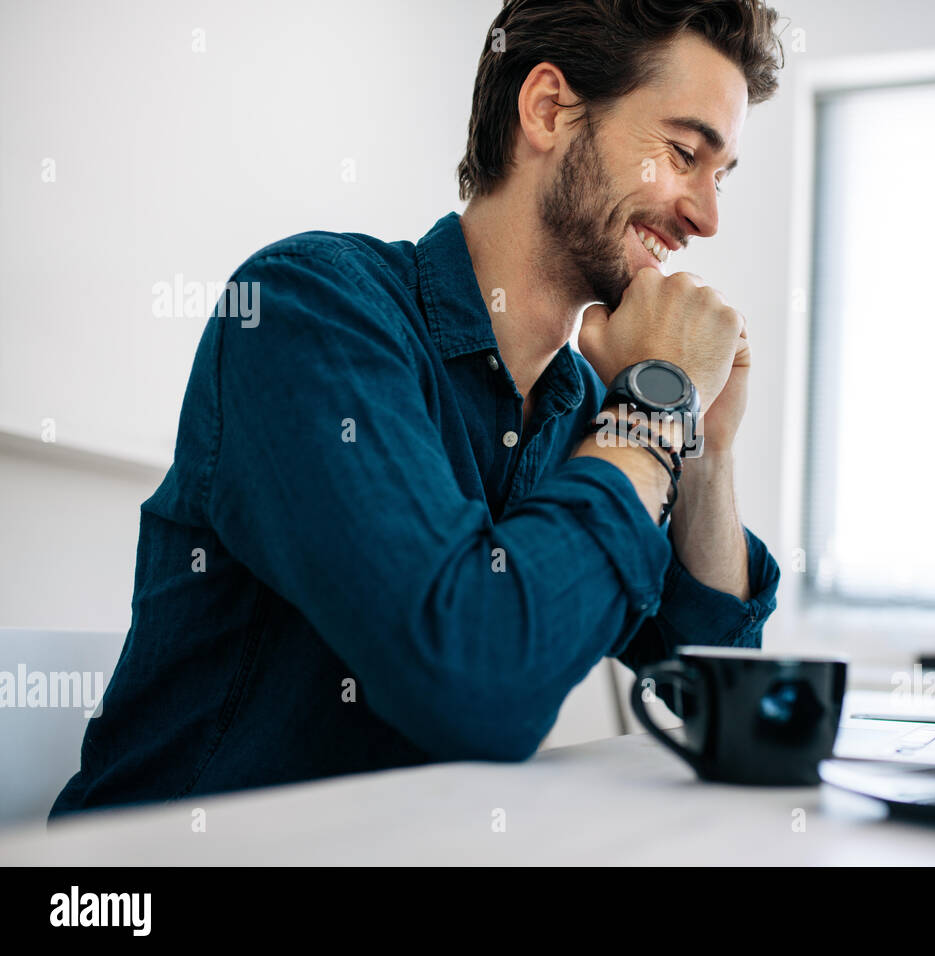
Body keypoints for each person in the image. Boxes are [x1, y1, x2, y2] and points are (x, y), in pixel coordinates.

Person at [51, 0, 785, 818]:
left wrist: (703, 440)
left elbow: (720, 701)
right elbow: (473, 682)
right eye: (685, 153)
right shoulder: (306, 308)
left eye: (720, 177)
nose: (707, 217)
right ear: (548, 109)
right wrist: (653, 416)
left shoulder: (582, 414)